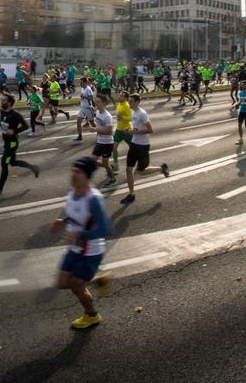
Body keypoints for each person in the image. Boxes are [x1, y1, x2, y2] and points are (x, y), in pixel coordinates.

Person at [50, 157, 112, 330]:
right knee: (62, 283)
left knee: (76, 287)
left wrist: (80, 234)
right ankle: (99, 280)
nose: (74, 174)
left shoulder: (94, 199)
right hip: (74, 248)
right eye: (73, 171)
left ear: (87, 175)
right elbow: (75, 215)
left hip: (90, 251)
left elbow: (105, 229)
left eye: (78, 172)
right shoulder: (72, 192)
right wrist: (63, 221)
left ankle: (92, 315)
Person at [121, 94, 169, 205]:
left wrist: (134, 131)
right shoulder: (133, 112)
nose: (129, 103)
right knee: (128, 169)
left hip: (143, 146)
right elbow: (137, 127)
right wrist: (129, 130)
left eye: (132, 101)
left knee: (140, 172)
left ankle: (161, 168)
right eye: (129, 101)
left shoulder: (142, 114)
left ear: (138, 102)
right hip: (134, 144)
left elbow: (150, 129)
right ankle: (131, 194)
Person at [0, 93, 38, 194]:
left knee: (4, 163)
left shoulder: (15, 114)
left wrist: (14, 131)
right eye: (1, 100)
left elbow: (26, 126)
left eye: (4, 100)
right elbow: (2, 121)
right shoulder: (2, 111)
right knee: (13, 162)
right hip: (6, 141)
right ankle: (33, 167)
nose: (1, 102)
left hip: (12, 143)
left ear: (9, 103)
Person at [90, 95, 117, 183]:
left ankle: (113, 179)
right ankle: (109, 166)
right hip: (99, 141)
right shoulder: (97, 112)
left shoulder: (107, 116)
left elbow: (109, 131)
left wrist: (95, 129)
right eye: (96, 101)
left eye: (98, 102)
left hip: (107, 143)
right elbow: (98, 125)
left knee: (105, 163)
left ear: (104, 103)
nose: (96, 103)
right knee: (93, 161)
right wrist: (93, 125)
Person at [110, 91, 132, 172]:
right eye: (120, 95)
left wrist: (122, 117)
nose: (120, 97)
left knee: (132, 148)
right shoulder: (119, 104)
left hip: (126, 130)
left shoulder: (127, 105)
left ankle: (138, 161)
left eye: (122, 96)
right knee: (114, 147)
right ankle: (116, 164)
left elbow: (130, 118)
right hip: (119, 130)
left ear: (126, 98)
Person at [74, 78, 96, 142]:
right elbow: (82, 97)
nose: (80, 84)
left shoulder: (88, 89)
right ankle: (80, 136)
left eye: (81, 83)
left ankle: (101, 133)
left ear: (85, 82)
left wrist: (84, 96)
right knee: (78, 122)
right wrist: (80, 100)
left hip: (88, 108)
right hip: (82, 108)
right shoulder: (82, 89)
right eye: (80, 83)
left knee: (92, 123)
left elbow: (91, 98)